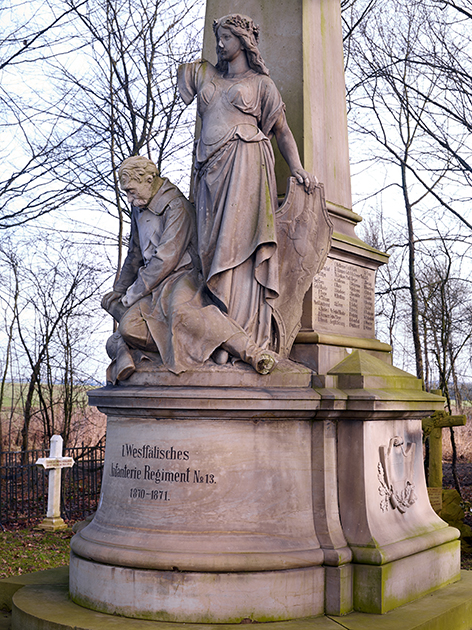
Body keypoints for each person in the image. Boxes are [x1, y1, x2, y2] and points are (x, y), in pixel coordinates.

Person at [178, 14, 316, 358]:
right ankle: (217, 334)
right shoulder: (204, 74)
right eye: (218, 38)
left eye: (226, 37)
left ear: (244, 40)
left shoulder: (261, 85)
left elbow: (281, 131)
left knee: (237, 248)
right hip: (209, 175)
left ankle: (238, 336)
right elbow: (184, 76)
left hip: (246, 165)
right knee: (210, 251)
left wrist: (297, 168)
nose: (220, 44)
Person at [102, 156, 277, 382]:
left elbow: (166, 258)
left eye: (132, 191)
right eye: (126, 192)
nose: (129, 198)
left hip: (182, 276)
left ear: (148, 180)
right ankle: (193, 344)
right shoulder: (139, 209)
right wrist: (119, 290)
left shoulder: (176, 206)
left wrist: (131, 294)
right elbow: (134, 254)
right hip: (153, 284)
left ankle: (252, 353)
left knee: (182, 314)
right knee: (128, 328)